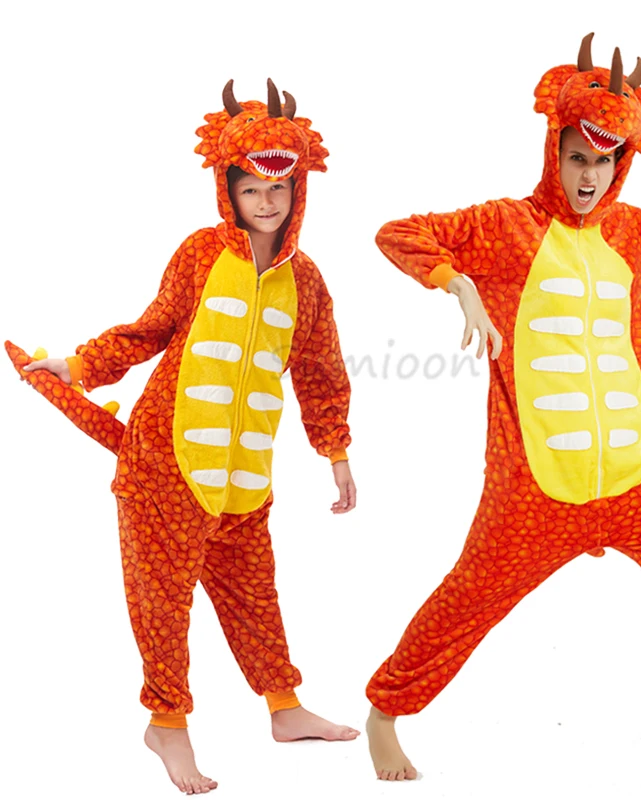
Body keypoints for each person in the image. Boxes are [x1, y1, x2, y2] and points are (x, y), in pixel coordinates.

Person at [365, 34, 641, 781]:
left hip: (640, 471)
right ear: (555, 150)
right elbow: (397, 233)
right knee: (468, 598)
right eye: (578, 158)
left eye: (605, 162)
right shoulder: (503, 226)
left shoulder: (634, 232)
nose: (589, 176)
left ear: (622, 163)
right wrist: (456, 281)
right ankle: (386, 711)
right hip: (537, 488)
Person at [18, 78, 359, 795]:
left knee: (255, 595)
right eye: (250, 190)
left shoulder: (308, 282)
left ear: (298, 190)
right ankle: (166, 724)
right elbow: (150, 331)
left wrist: (336, 452)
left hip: (243, 479)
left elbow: (321, 371)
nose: (265, 202)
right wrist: (76, 366)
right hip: (162, 466)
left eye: (278, 189)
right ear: (228, 190)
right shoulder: (202, 254)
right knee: (163, 602)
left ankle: (285, 708)